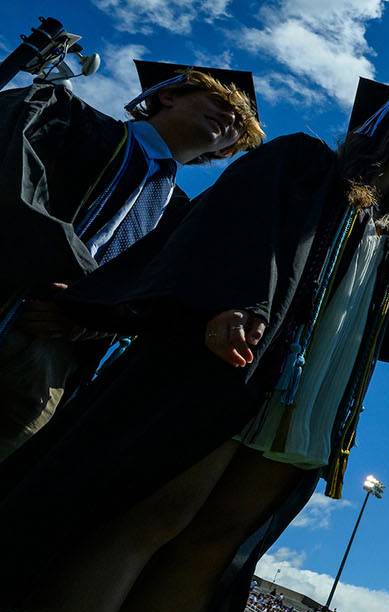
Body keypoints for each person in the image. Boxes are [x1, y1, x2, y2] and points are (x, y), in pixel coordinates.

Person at [0, 79, 389, 612]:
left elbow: (369, 330)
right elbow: (227, 228)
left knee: (210, 551)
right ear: (381, 123)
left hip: (305, 405)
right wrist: (234, 301)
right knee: (149, 517)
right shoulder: (303, 163)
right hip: (239, 358)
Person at [0, 60, 263, 461]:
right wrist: (87, 290)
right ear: (168, 94)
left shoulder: (182, 219)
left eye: (239, 126)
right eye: (219, 99)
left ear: (226, 150)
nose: (230, 117)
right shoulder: (65, 118)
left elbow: (153, 302)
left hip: (49, 361)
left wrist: (91, 318)